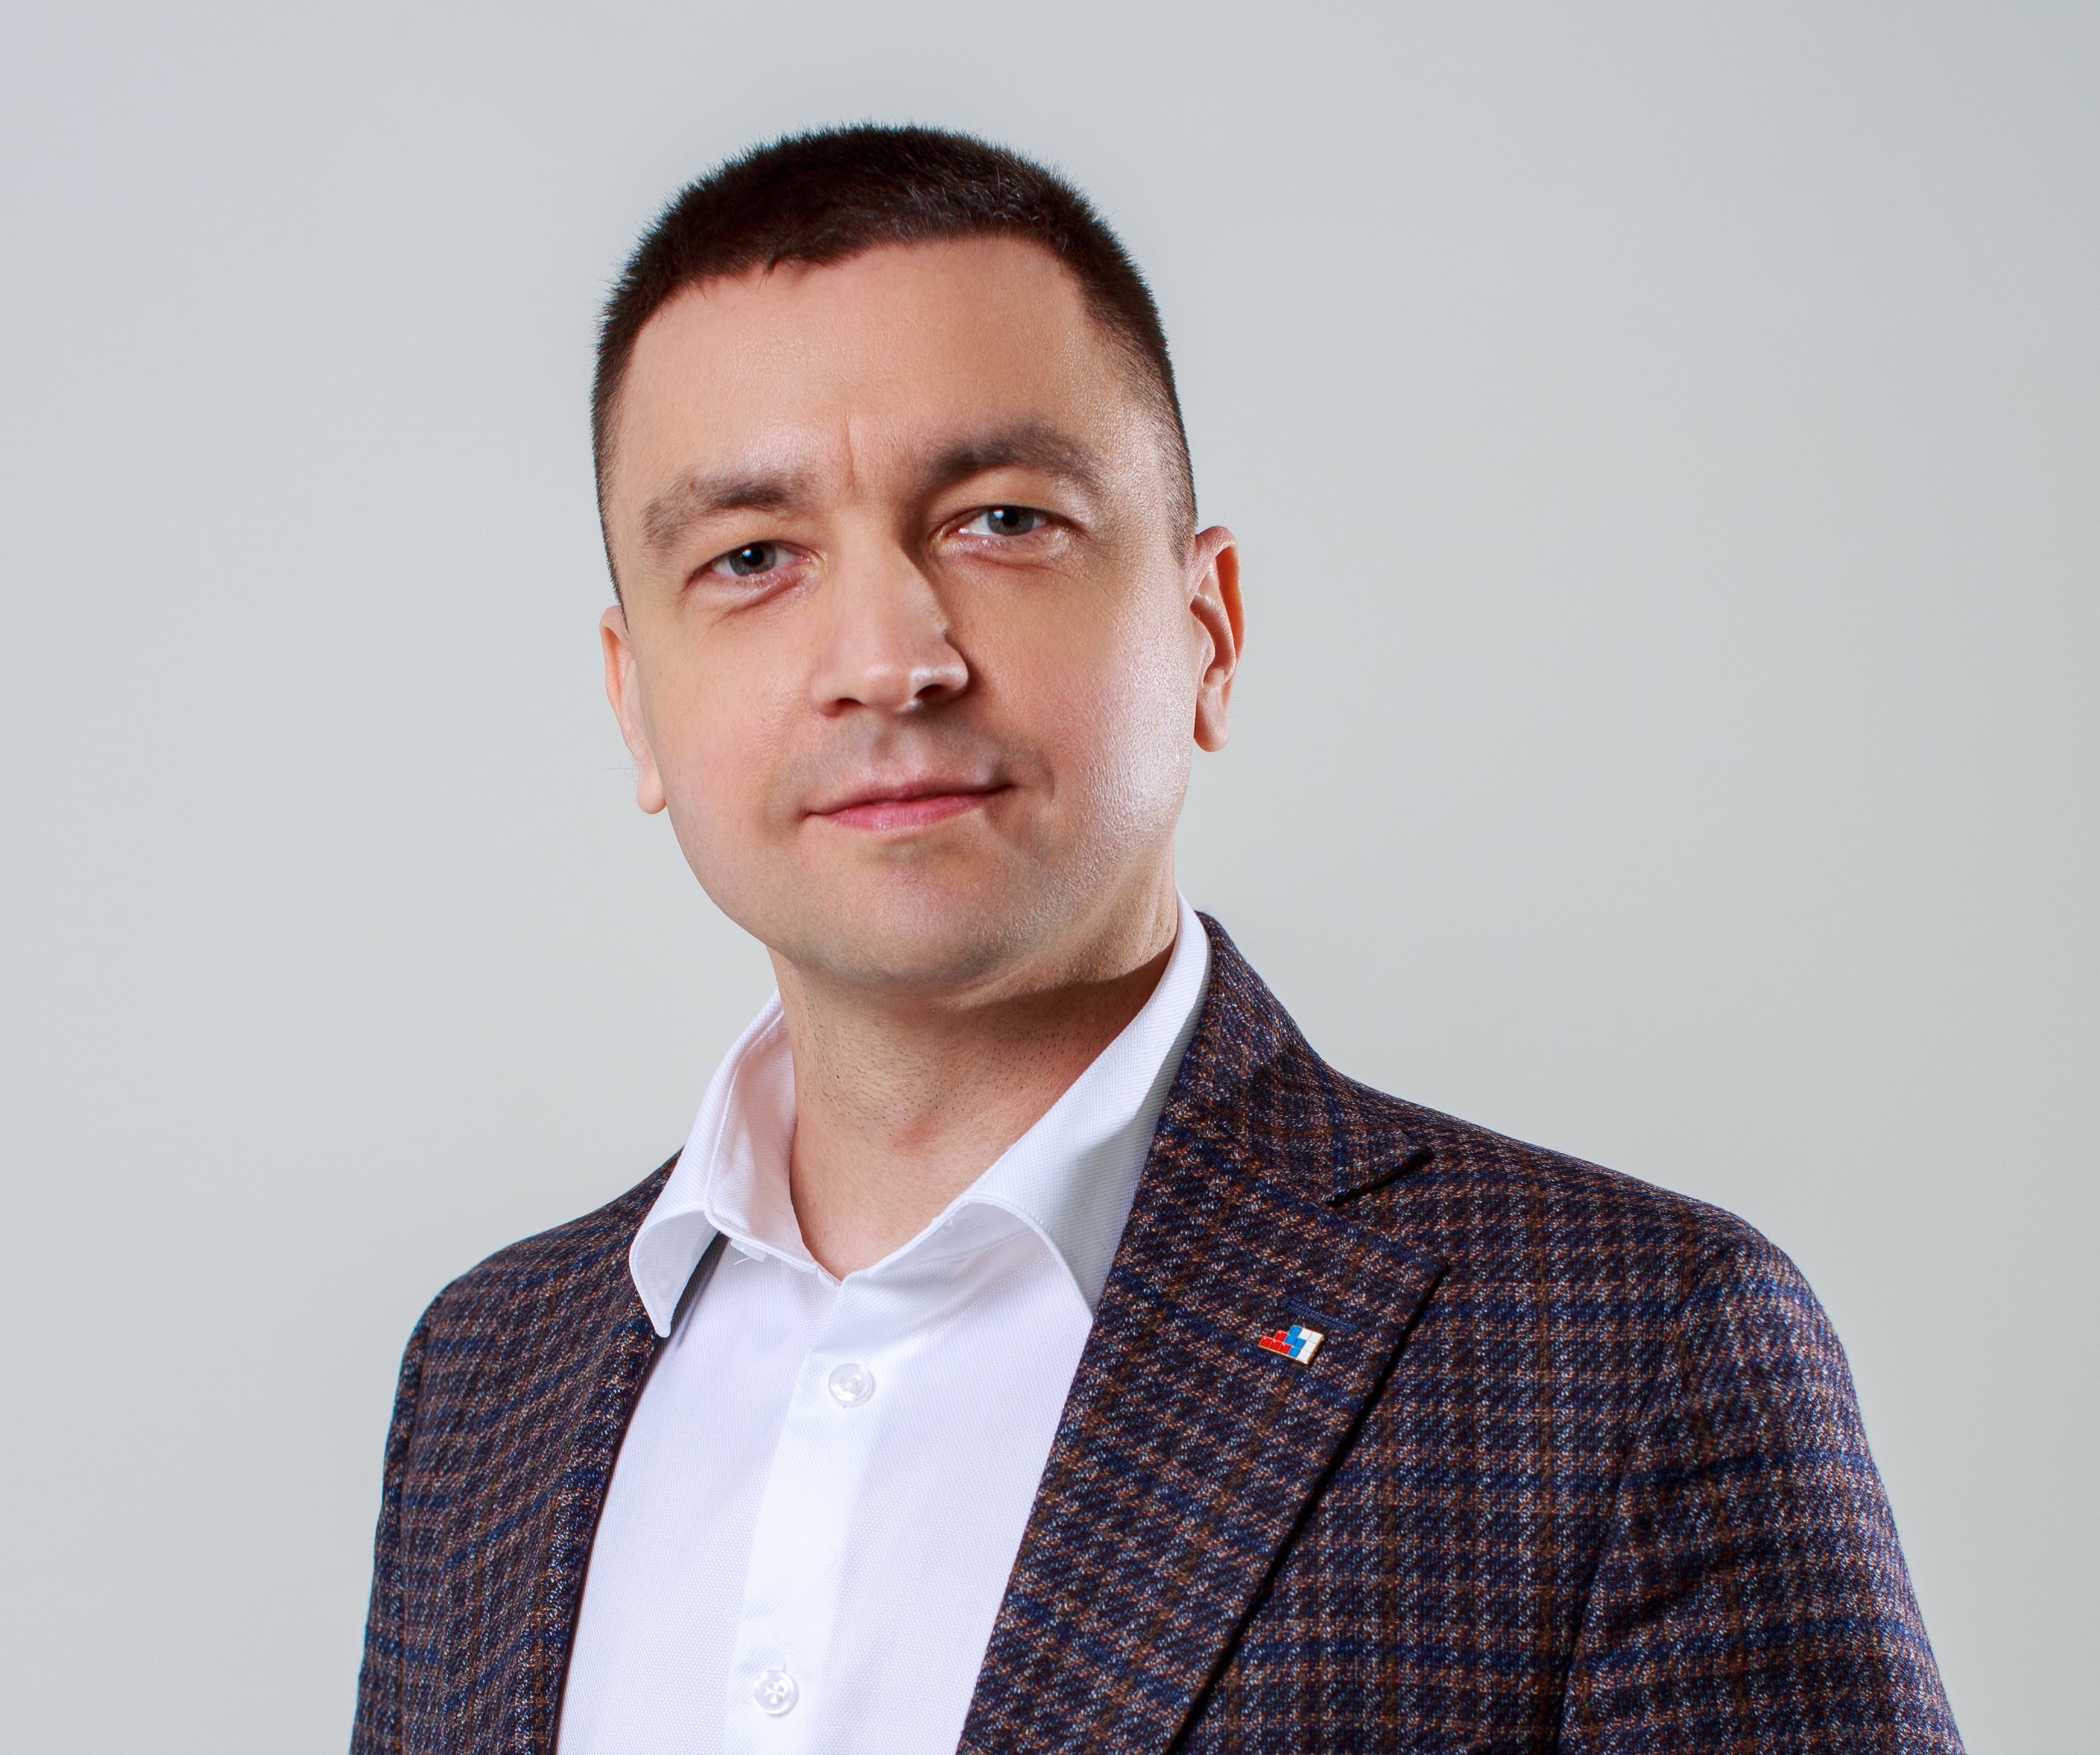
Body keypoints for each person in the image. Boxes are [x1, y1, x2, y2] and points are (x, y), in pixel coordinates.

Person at [350, 125, 1961, 1755]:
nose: (887, 658)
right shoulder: (489, 1380)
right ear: (633, 699)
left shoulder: (1621, 1357)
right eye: (750, 558)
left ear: (1207, 630)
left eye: (999, 519)